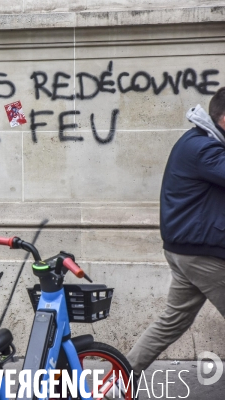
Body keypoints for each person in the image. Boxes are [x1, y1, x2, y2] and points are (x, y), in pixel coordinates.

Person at [127, 87, 225, 375]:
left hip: (186, 249)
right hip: (202, 254)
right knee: (172, 320)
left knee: (172, 320)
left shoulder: (200, 142)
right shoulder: (204, 149)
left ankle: (120, 379)